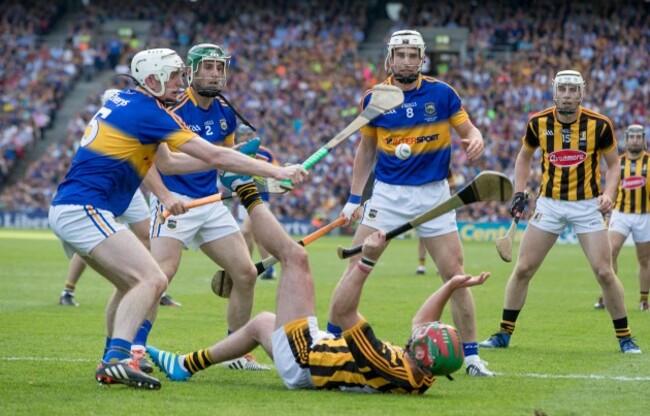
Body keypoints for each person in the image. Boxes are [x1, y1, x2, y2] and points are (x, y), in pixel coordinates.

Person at [48, 47, 307, 389]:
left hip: (79, 207)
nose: (180, 83)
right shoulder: (150, 111)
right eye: (173, 77)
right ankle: (117, 358)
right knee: (153, 279)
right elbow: (211, 153)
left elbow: (171, 163)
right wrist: (276, 169)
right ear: (152, 79)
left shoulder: (132, 101)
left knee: (133, 284)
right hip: (83, 207)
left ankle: (113, 357)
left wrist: (226, 159)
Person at [147, 227, 491, 392]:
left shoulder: (389, 366)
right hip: (316, 359)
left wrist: (367, 260)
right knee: (262, 323)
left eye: (422, 337)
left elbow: (341, 311)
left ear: (420, 351)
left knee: (295, 257)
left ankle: (248, 190)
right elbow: (423, 321)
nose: (419, 331)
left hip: (308, 358)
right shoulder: (422, 370)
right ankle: (185, 365)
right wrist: (450, 285)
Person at [337, 30, 492, 376]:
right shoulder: (374, 98)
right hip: (388, 194)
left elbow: (469, 131)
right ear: (390, 59)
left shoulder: (442, 93)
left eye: (413, 55)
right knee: (355, 266)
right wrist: (353, 198)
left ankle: (471, 358)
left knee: (455, 275)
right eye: (400, 54)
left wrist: (475, 140)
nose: (407, 61)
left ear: (422, 58)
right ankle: (331, 340)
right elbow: (365, 150)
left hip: (434, 195)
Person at [479, 70, 641, 354]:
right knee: (524, 268)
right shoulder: (538, 122)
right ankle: (504, 333)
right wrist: (519, 191)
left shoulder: (600, 125)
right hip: (549, 204)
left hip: (587, 205)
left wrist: (609, 194)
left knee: (604, 271)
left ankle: (625, 337)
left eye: (573, 89)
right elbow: (524, 157)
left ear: (582, 92)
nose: (567, 94)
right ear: (555, 91)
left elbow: (614, 165)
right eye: (563, 88)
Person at [142, 44, 275, 371]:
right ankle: (132, 350)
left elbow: (226, 164)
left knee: (245, 274)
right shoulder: (172, 108)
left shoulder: (226, 111)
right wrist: (164, 196)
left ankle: (238, 352)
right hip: (174, 202)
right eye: (208, 67)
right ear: (191, 70)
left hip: (209, 203)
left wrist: (253, 167)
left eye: (219, 67)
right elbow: (154, 162)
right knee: (158, 278)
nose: (215, 74)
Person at [593, 124, 649, 312]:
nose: (634, 140)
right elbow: (611, 187)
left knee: (645, 259)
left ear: (644, 140)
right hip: (621, 214)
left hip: (645, 215)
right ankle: (607, 296)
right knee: (610, 252)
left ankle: (643, 299)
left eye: (638, 137)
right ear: (626, 139)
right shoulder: (618, 163)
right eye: (631, 137)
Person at [235, 123, 278, 280]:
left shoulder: (265, 152)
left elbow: (275, 170)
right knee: (257, 237)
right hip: (242, 197)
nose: (244, 138)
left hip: (259, 196)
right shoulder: (237, 151)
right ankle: (268, 269)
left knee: (246, 230)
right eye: (241, 135)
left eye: (247, 135)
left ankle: (245, 267)